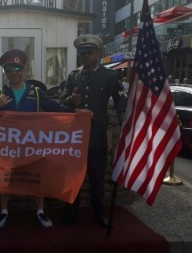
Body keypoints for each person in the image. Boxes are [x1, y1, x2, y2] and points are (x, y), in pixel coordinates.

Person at [0, 49, 92, 229]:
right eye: (9, 70)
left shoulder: (36, 92)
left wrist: (76, 112)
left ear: (23, 70)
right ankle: (4, 212)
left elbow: (55, 107)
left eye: (17, 68)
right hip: (8, 145)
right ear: (5, 72)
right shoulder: (0, 92)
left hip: (32, 144)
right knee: (5, 178)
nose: (13, 73)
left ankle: (40, 212)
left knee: (37, 176)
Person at [59, 34, 127, 228]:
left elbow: (121, 100)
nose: (85, 56)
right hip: (75, 137)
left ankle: (99, 214)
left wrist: (125, 121)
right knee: (73, 178)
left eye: (89, 52)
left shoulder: (110, 76)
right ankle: (70, 214)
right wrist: (71, 101)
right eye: (82, 53)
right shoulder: (74, 76)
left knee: (97, 179)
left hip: (97, 135)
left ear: (97, 53)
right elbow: (62, 100)